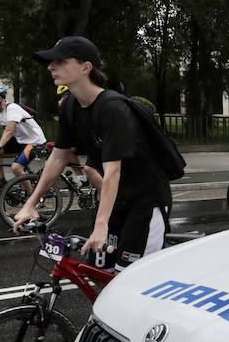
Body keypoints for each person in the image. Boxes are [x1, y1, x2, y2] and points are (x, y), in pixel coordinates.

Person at [14, 36, 172, 272]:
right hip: (114, 200)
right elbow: (58, 157)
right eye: (51, 62)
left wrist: (101, 225)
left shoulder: (113, 108)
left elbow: (113, 170)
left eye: (60, 61)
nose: (50, 66)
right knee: (101, 273)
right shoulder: (70, 106)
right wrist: (31, 203)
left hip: (144, 202)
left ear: (85, 67)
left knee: (129, 279)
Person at [55, 85, 105, 194]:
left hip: (98, 141)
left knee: (89, 169)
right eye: (63, 96)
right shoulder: (67, 107)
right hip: (85, 141)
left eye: (67, 95)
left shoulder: (83, 103)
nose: (63, 99)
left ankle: (105, 194)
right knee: (67, 153)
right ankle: (83, 179)